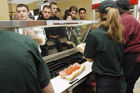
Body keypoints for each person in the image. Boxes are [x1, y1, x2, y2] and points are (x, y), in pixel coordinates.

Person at [84, 1, 124, 93]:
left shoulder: (95, 34)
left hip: (104, 82)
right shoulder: (119, 33)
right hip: (118, 80)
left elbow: (89, 58)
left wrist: (81, 48)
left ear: (99, 15)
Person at [116, 0, 140, 93]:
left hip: (133, 60)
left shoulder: (125, 20)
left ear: (118, 8)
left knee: (126, 88)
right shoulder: (129, 18)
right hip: (133, 58)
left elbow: (120, 42)